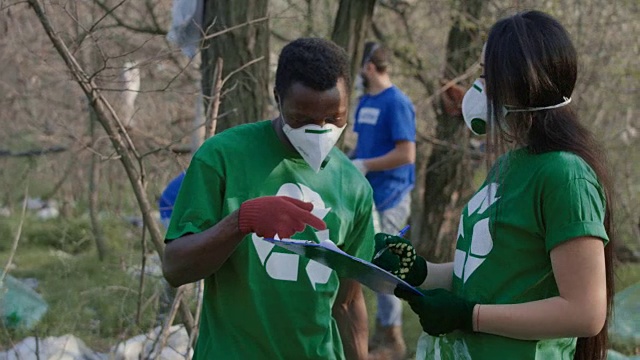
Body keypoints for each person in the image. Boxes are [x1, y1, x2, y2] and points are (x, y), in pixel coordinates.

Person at [373, 10, 615, 360]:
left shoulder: (565, 175)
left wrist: (470, 316)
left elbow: (585, 312)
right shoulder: (507, 165)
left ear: (522, 83)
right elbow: (487, 271)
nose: (477, 89)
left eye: (487, 76)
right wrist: (421, 271)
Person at [162, 37, 375, 360]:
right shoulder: (223, 158)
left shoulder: (354, 186)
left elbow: (348, 302)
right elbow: (175, 267)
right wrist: (239, 222)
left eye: (334, 118)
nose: (320, 130)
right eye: (302, 118)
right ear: (278, 99)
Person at [350, 41, 416, 359]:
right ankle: (376, 338)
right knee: (362, 264)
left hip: (391, 197)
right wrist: (349, 163)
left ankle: (393, 340)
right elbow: (362, 146)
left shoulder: (397, 103)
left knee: (384, 268)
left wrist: (366, 165)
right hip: (366, 196)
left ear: (369, 68)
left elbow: (406, 153)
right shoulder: (364, 103)